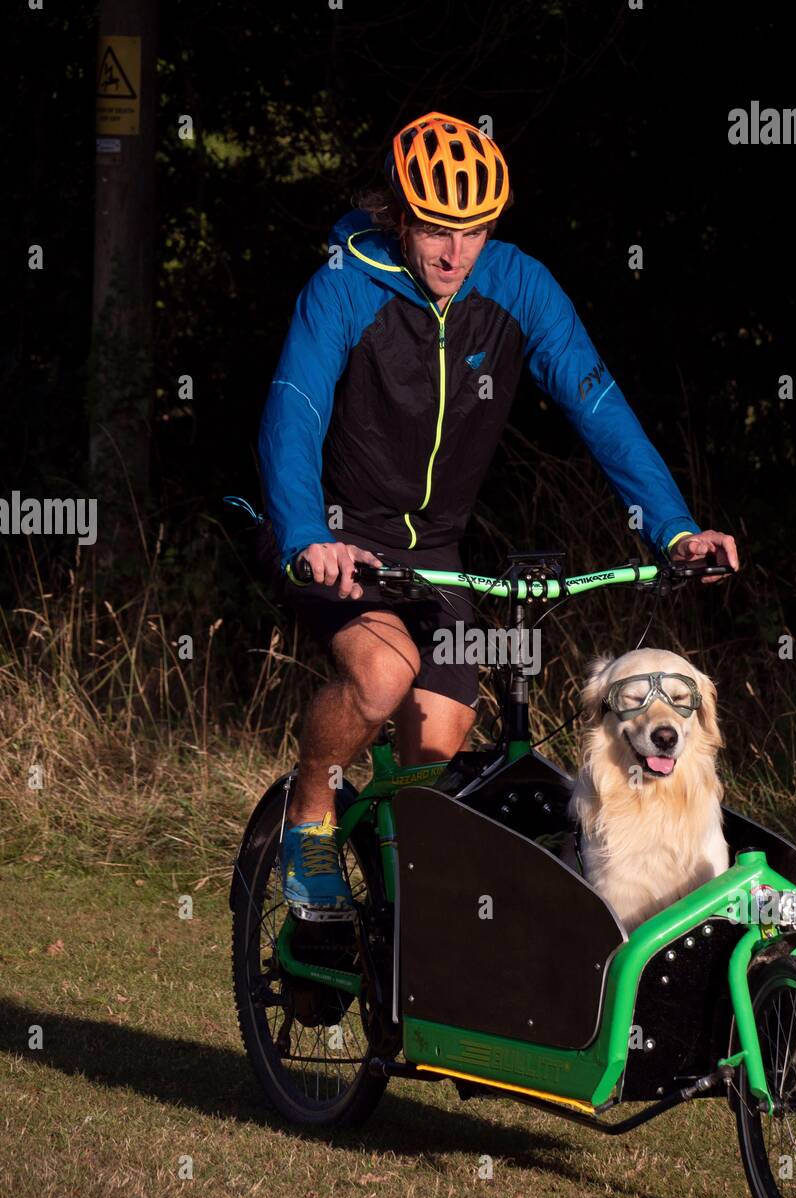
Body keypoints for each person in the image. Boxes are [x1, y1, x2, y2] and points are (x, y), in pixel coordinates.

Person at [257, 110, 739, 919]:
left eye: (474, 231)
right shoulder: (341, 284)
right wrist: (307, 533)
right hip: (342, 538)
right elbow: (293, 408)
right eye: (438, 230)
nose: (455, 253)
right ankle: (309, 813)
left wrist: (674, 527)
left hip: (437, 549)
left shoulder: (517, 285)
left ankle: (399, 923)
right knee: (381, 676)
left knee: (439, 741)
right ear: (400, 216)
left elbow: (599, 405)